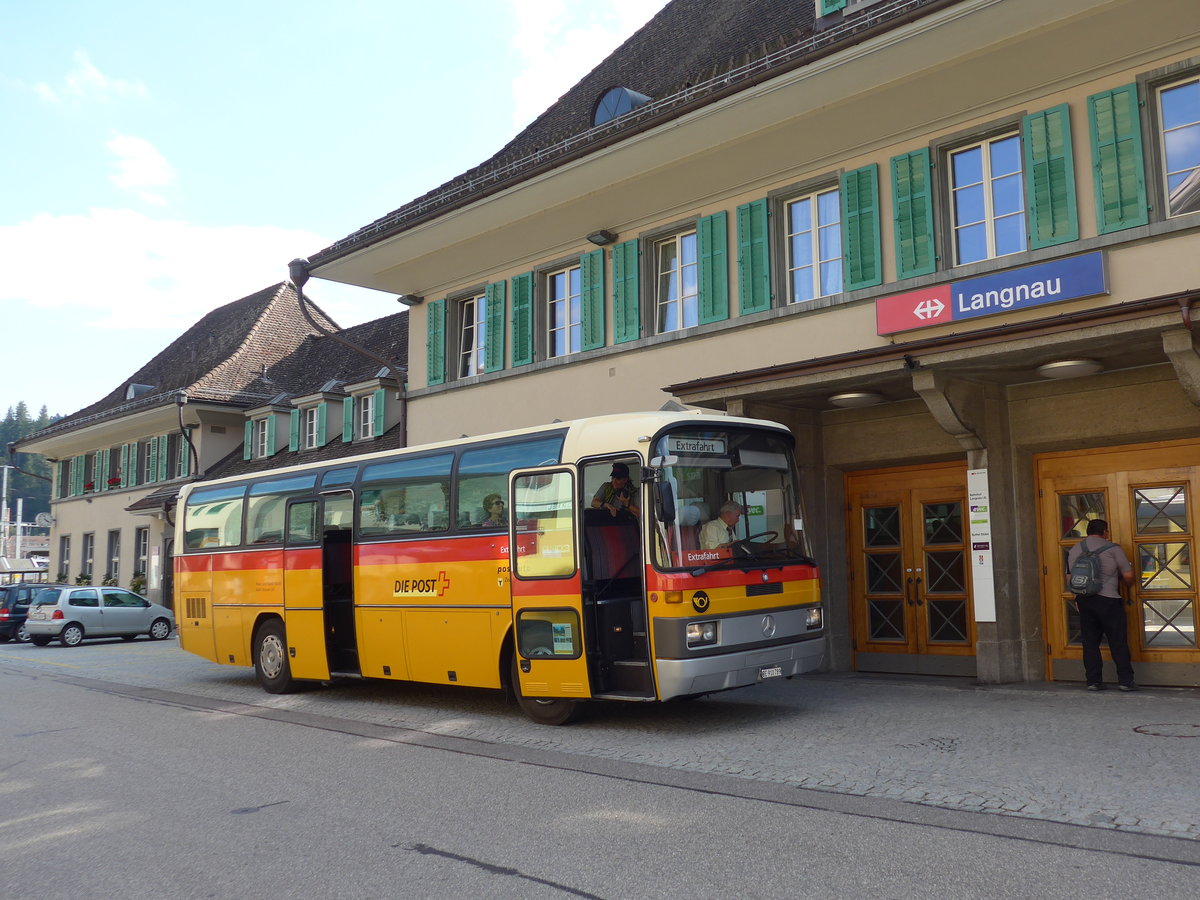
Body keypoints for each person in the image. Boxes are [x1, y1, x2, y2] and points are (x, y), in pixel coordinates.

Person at [1066, 519, 1136, 692]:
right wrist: (1128, 584)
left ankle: (1093, 681)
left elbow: (1069, 579)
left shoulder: (1075, 549)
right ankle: (1126, 681)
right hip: (1108, 600)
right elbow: (1128, 575)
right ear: (1104, 531)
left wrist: (1077, 597)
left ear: (1088, 532)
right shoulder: (1112, 548)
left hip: (1085, 600)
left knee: (1090, 643)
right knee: (1117, 641)